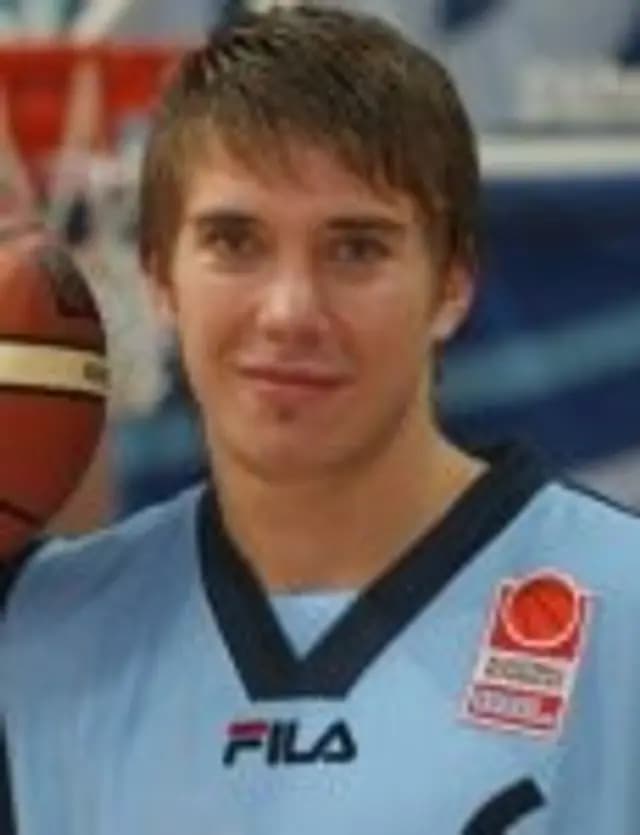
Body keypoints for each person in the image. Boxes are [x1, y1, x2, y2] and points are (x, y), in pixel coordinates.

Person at [2, 6, 640, 834]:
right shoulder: (42, 635)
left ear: (452, 283)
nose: (290, 312)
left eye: (356, 248)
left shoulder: (622, 611)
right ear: (157, 276)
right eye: (235, 242)